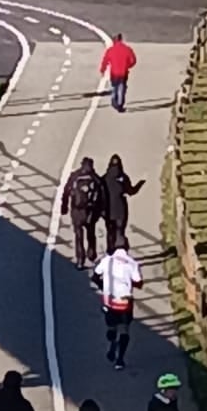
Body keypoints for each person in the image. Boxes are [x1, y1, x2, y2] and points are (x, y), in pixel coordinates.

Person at [93, 235, 143, 370]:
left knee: (111, 327)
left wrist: (103, 286)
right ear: (127, 247)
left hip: (109, 300)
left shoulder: (106, 261)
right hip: (125, 302)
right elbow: (139, 282)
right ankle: (120, 359)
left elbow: (95, 275)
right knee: (125, 330)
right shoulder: (132, 263)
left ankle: (112, 342)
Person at [61, 156, 106, 269]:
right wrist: (102, 210)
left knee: (78, 235)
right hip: (90, 211)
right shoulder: (95, 178)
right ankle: (91, 254)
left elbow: (66, 191)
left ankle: (80, 260)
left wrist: (64, 207)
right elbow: (103, 195)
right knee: (91, 232)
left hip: (77, 211)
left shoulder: (75, 176)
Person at [101, 154, 144, 253]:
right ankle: (121, 252)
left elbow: (100, 195)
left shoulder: (104, 178)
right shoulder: (123, 178)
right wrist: (141, 183)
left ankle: (110, 252)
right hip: (121, 211)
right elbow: (131, 191)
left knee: (110, 232)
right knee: (120, 232)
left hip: (108, 211)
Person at [99, 32, 137, 113]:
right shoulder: (127, 49)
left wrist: (102, 70)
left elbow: (105, 61)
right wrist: (128, 66)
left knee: (114, 87)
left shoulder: (111, 50)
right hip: (123, 73)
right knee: (122, 88)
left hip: (114, 73)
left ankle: (114, 100)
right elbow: (133, 60)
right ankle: (120, 104)